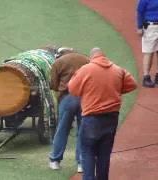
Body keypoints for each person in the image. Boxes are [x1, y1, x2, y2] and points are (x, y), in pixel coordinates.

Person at [68, 48, 137, 180]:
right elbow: (132, 84)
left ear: (91, 57)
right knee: (104, 154)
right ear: (104, 57)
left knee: (87, 152)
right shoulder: (118, 70)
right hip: (111, 118)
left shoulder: (86, 69)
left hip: (91, 118)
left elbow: (72, 89)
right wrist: (116, 90)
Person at [48, 49, 89, 173]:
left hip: (67, 98)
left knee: (62, 130)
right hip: (85, 99)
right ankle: (81, 163)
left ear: (59, 54)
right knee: (82, 131)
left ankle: (55, 160)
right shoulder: (86, 59)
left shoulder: (58, 62)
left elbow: (54, 85)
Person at [136, 0, 158, 88]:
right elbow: (139, 11)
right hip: (150, 27)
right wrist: (139, 27)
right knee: (148, 53)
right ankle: (146, 77)